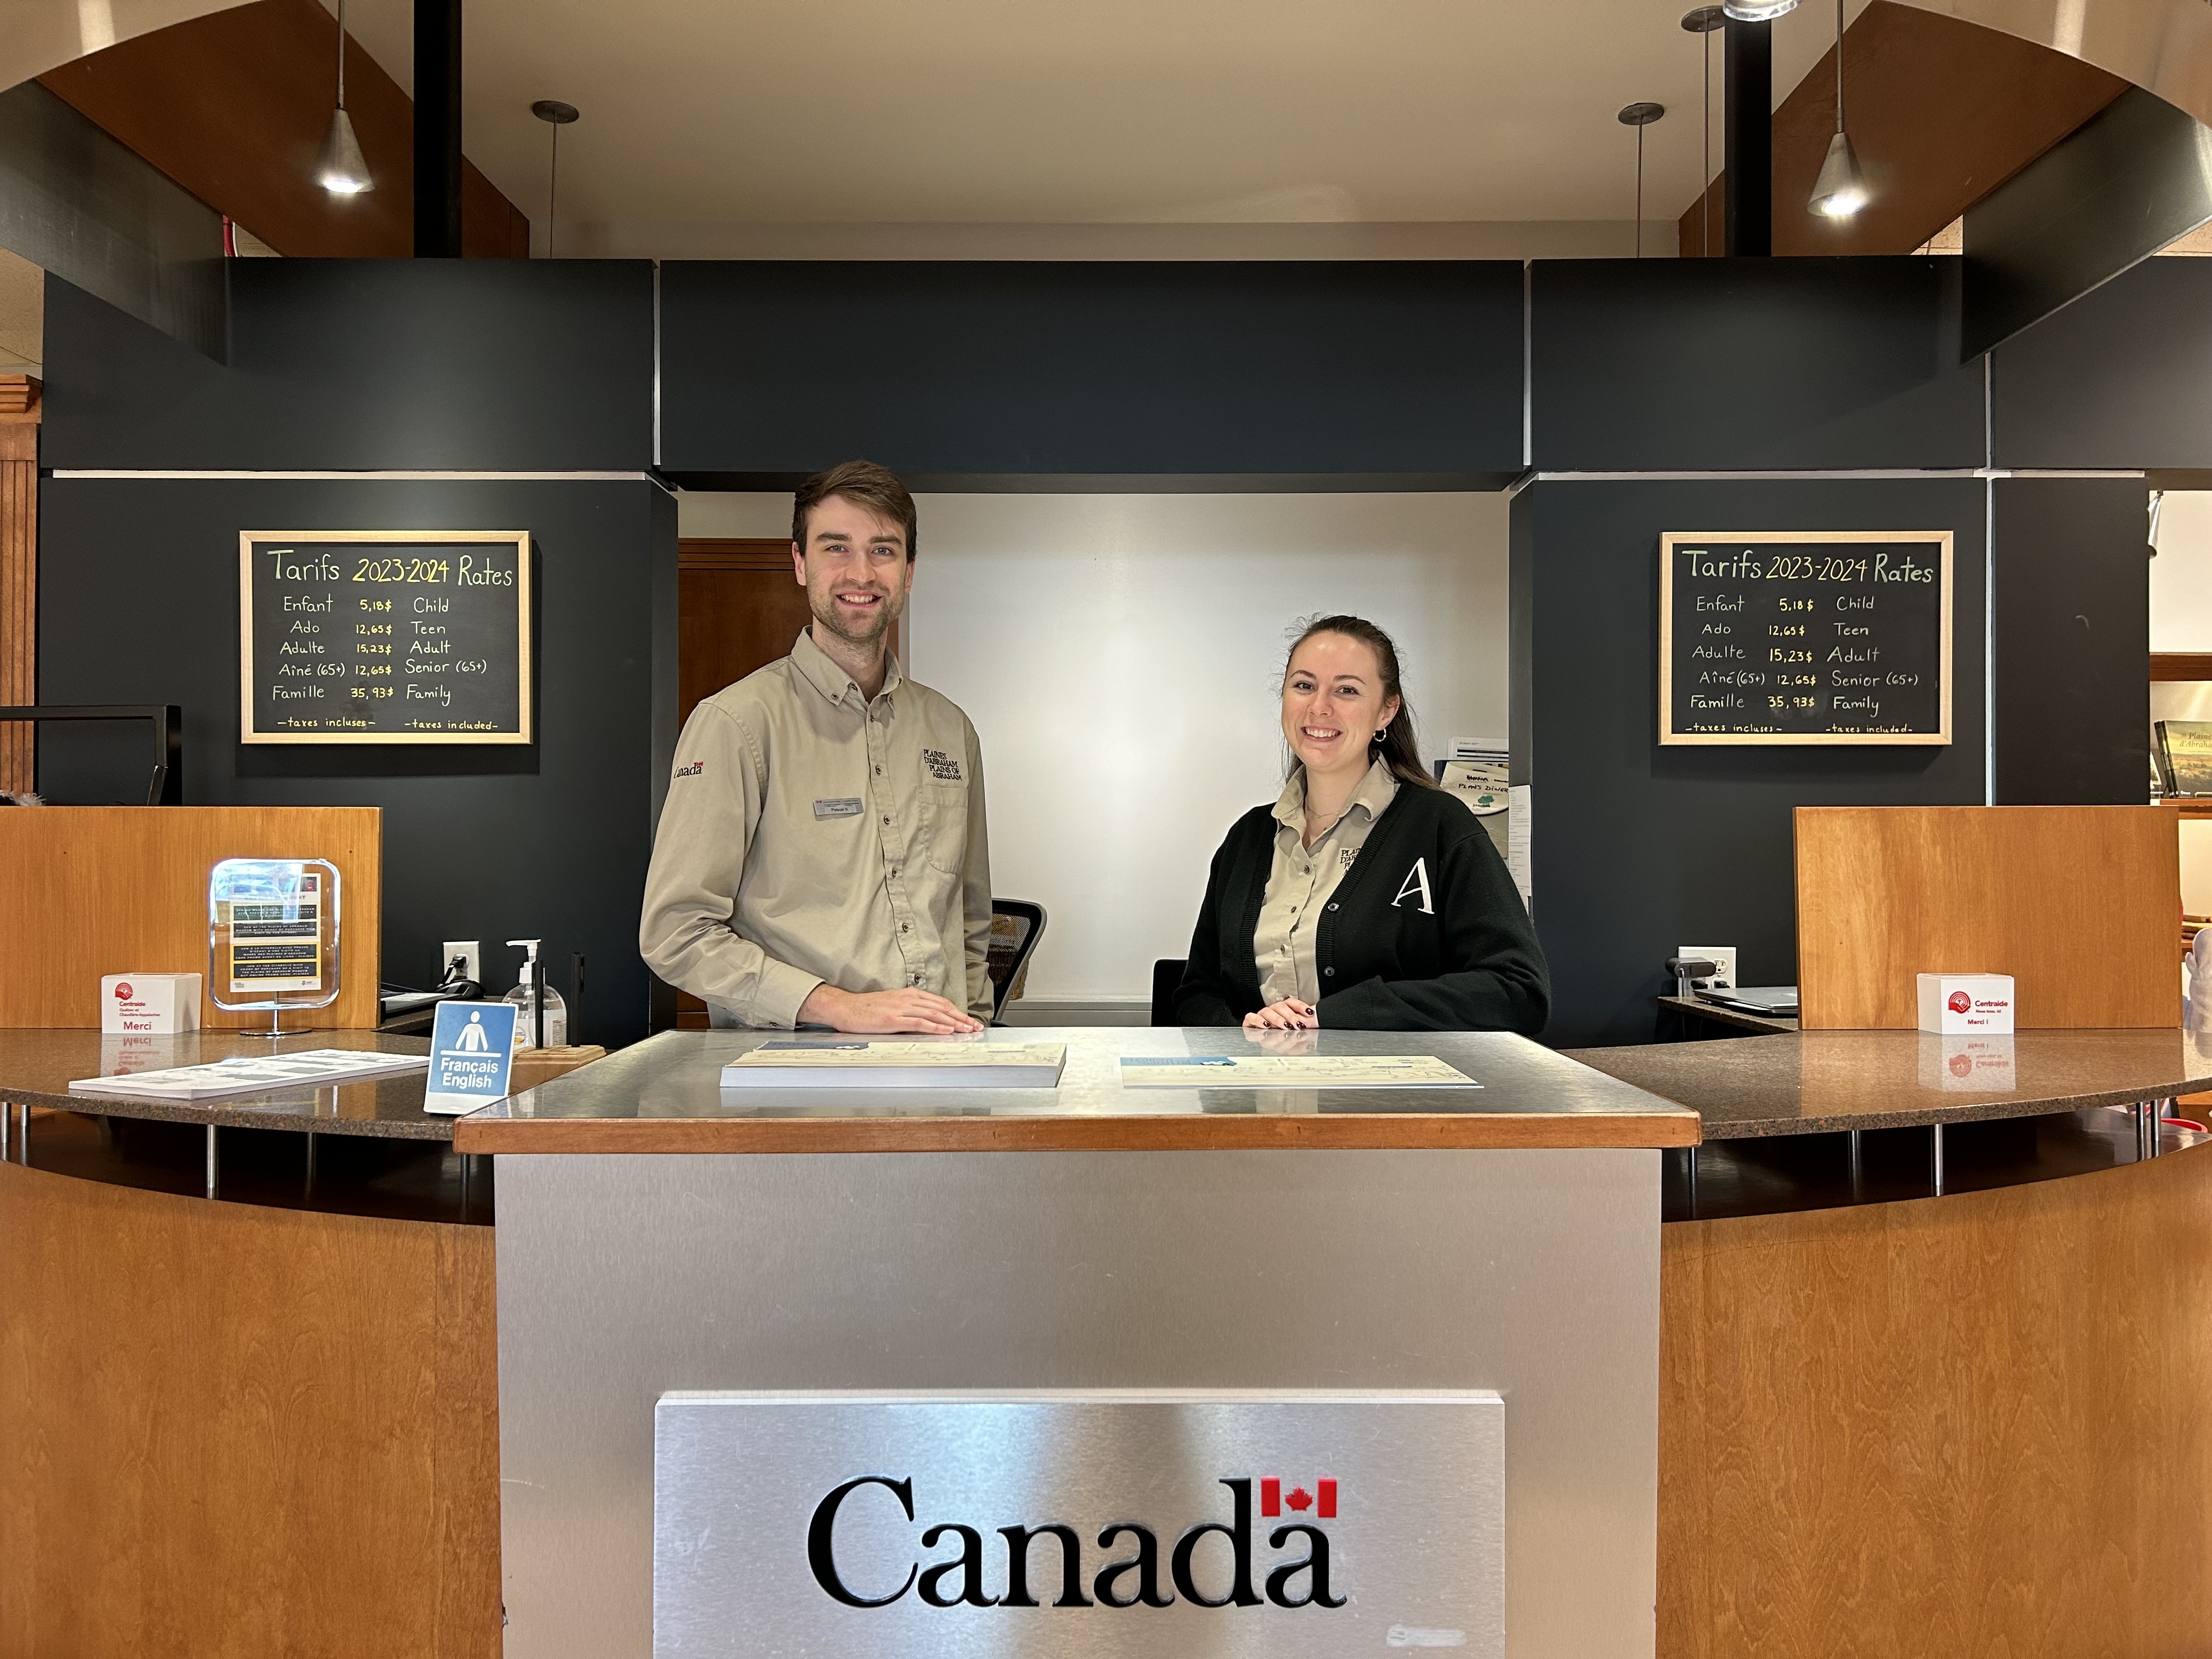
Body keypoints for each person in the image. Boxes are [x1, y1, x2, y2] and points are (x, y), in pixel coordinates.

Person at [639, 460, 993, 1033]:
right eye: (836, 548)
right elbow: (675, 932)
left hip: (941, 1076)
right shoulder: (736, 724)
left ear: (909, 572)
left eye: (883, 550)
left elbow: (971, 919)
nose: (862, 573)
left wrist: (972, 1022)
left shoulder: (951, 731)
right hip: (794, 1085)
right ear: (800, 563)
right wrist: (837, 1006)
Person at [1175, 615, 1548, 1033]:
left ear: (1386, 711)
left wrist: (1334, 1017)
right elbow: (1197, 994)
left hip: (1388, 1096)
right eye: (1304, 686)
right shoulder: (1247, 839)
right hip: (1260, 1092)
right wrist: (1244, 1029)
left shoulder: (1440, 827)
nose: (1320, 707)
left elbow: (1518, 991)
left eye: (1347, 690)